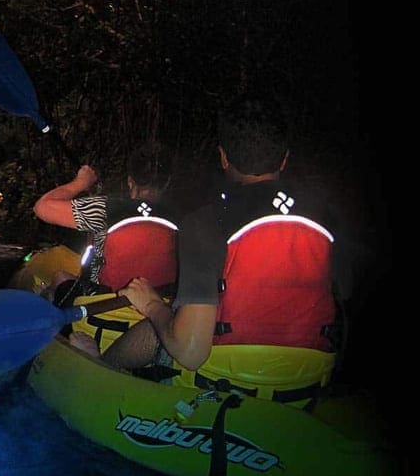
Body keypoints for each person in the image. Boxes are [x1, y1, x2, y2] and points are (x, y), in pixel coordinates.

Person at [109, 97, 345, 406]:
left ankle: (102, 367)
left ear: (223, 157)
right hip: (308, 381)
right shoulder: (328, 218)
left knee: (163, 323)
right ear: (285, 159)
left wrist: (152, 304)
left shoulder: (205, 222)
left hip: (221, 380)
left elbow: (190, 352)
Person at [33, 141, 179, 308]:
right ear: (167, 182)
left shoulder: (106, 209)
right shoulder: (181, 217)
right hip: (158, 307)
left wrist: (81, 182)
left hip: (103, 305)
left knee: (60, 278)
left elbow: (41, 207)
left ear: (130, 181)